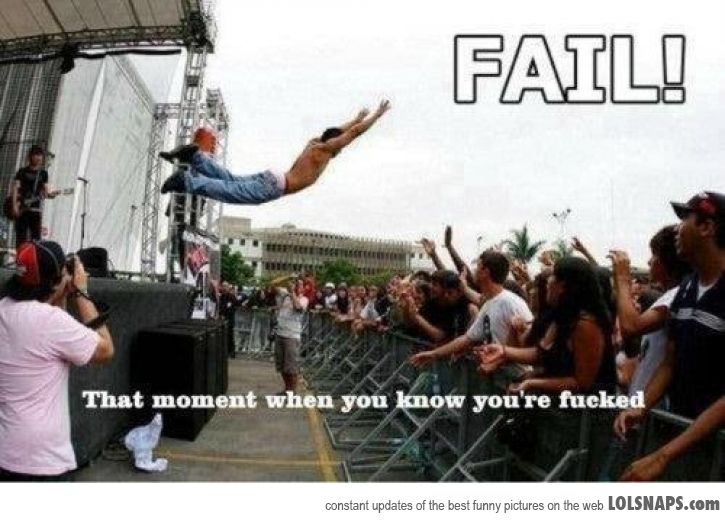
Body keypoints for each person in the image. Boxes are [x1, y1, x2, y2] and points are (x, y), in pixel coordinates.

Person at [616, 191, 725, 481]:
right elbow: (670, 362)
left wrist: (663, 456)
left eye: (685, 219)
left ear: (706, 227)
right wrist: (639, 407)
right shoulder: (687, 288)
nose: (677, 229)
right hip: (682, 439)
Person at [0, 241, 114, 481]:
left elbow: (45, 330)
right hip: (42, 462)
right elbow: (105, 350)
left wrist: (60, 289)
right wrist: (81, 292)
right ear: (55, 281)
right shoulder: (49, 322)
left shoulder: (4, 309)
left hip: (6, 451)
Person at [159, 100, 391, 204]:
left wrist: (356, 118)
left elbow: (335, 131)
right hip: (276, 186)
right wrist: (375, 117)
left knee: (230, 180)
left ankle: (194, 157)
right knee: (230, 191)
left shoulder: (315, 143)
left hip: (273, 178)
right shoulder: (324, 151)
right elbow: (351, 134)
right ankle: (186, 180)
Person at [477, 256, 616, 395]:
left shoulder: (585, 325)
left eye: (553, 276)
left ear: (563, 286)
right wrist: (503, 351)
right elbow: (540, 354)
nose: (548, 281)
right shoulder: (562, 316)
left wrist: (532, 383)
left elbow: (582, 383)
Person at [409, 250, 532, 368]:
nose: (474, 270)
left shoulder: (511, 302)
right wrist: (434, 354)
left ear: (485, 272)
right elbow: (467, 339)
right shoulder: (488, 304)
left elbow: (530, 343)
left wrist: (498, 362)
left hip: (517, 377)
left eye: (477, 266)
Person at [11, 146, 57, 248]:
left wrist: (51, 195)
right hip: (22, 209)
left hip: (35, 210)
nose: (39, 158)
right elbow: (15, 188)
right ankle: (20, 256)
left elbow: (46, 191)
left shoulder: (43, 173)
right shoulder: (22, 172)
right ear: (31, 156)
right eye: (36, 155)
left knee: (36, 240)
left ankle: (33, 257)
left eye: (40, 155)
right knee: (21, 238)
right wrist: (14, 206)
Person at [271, 276, 309, 393]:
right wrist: (287, 277)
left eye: (299, 284)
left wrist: (292, 292)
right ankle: (287, 389)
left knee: (291, 367)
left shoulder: (304, 299)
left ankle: (292, 391)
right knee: (281, 365)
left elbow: (298, 307)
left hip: (292, 335)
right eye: (295, 283)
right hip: (280, 332)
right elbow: (272, 284)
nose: (296, 285)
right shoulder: (284, 294)